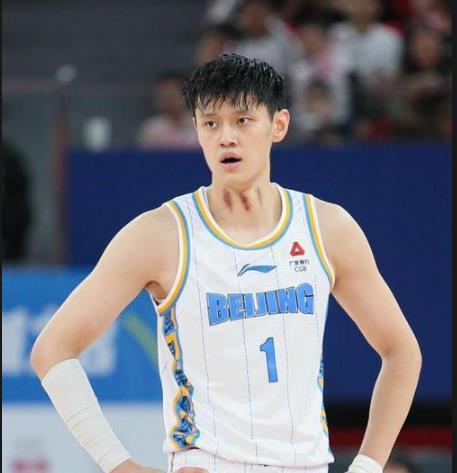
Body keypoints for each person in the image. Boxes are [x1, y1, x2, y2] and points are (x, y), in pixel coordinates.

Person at [31, 54, 422, 473]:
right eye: (211, 123)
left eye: (242, 120)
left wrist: (367, 466)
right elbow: (53, 349)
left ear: (278, 125)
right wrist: (118, 465)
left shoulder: (327, 227)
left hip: (305, 464)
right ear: (196, 131)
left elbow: (401, 351)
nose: (226, 138)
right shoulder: (159, 234)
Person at [137, 72, 199, 150]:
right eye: (162, 94)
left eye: (171, 94)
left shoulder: (199, 125)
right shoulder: (151, 129)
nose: (166, 98)